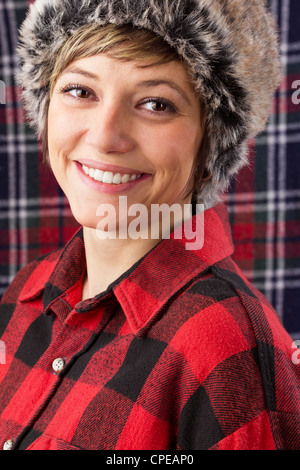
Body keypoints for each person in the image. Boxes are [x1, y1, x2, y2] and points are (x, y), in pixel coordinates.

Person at [0, 0, 299, 451]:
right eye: (81, 91)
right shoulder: (28, 289)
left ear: (211, 145)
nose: (104, 136)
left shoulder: (227, 347)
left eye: (156, 104)